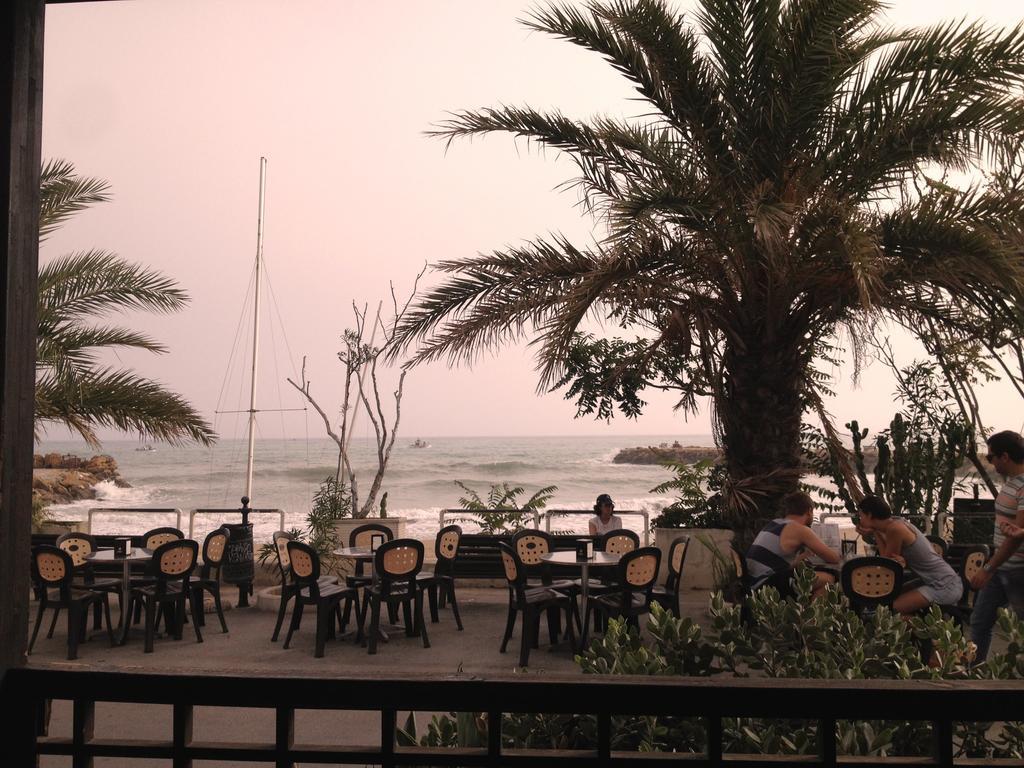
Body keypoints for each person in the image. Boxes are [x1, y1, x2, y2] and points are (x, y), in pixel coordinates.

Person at [854, 495, 962, 615]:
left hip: (944, 586)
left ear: (869, 515)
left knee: (887, 612)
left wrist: (875, 532)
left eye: (861, 515)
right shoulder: (895, 523)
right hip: (932, 581)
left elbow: (887, 564)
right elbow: (889, 560)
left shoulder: (895, 529)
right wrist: (875, 531)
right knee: (886, 599)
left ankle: (928, 631)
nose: (860, 519)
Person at [969, 430, 1024, 661]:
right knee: (980, 622)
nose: (990, 462)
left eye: (991, 457)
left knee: (1020, 630)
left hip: (1017, 570)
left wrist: (988, 568)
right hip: (1001, 566)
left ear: (1005, 456)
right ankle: (974, 674)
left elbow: (1016, 536)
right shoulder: (1013, 482)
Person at [745, 491, 840, 598]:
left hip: (752, 583)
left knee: (808, 577)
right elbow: (833, 558)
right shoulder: (800, 529)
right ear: (809, 511)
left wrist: (799, 559)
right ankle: (812, 614)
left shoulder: (774, 523)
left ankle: (804, 609)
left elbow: (775, 563)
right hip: (766, 585)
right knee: (829, 578)